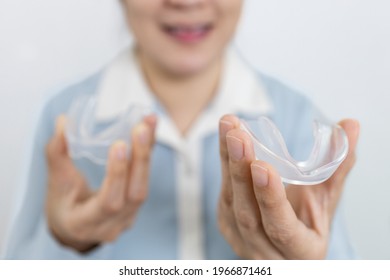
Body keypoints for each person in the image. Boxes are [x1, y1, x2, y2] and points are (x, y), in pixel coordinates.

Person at [5, 0, 359, 259]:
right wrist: (66, 240)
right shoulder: (64, 118)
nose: (187, 2)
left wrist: (305, 267)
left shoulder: (295, 115)